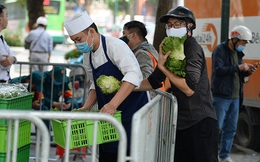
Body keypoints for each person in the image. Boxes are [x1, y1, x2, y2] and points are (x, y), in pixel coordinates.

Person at [137, 6, 219, 162]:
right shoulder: (172, 48)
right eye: (169, 25)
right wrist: (127, 87)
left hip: (199, 122)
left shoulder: (192, 47)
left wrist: (162, 67)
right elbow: (153, 81)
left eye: (177, 24)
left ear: (190, 26)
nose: (172, 28)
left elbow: (189, 89)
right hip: (181, 123)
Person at [64, 11, 149, 162]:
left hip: (131, 110)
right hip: (109, 115)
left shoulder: (115, 46)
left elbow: (133, 74)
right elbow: (94, 85)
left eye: (78, 39)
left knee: (127, 153)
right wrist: (86, 106)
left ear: (91, 32)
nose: (77, 45)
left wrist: (113, 104)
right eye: (74, 41)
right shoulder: (88, 55)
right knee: (108, 153)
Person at [211, 25, 259, 162]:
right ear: (235, 39)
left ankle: (224, 155)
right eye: (243, 42)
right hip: (221, 96)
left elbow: (237, 73)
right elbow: (218, 70)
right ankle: (211, 154)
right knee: (217, 127)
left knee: (231, 128)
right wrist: (238, 67)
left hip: (235, 97)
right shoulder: (220, 50)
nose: (244, 45)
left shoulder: (238, 53)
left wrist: (248, 71)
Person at [120, 20, 170, 94]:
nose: (122, 37)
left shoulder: (142, 53)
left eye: (124, 34)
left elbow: (146, 77)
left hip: (151, 99)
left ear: (133, 35)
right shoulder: (148, 48)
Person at [0, 4, 17, 83]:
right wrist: (11, 60)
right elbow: (4, 61)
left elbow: (12, 55)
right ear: (0, 19)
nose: (7, 19)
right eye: (6, 16)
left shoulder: (1, 37)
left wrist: (12, 59)